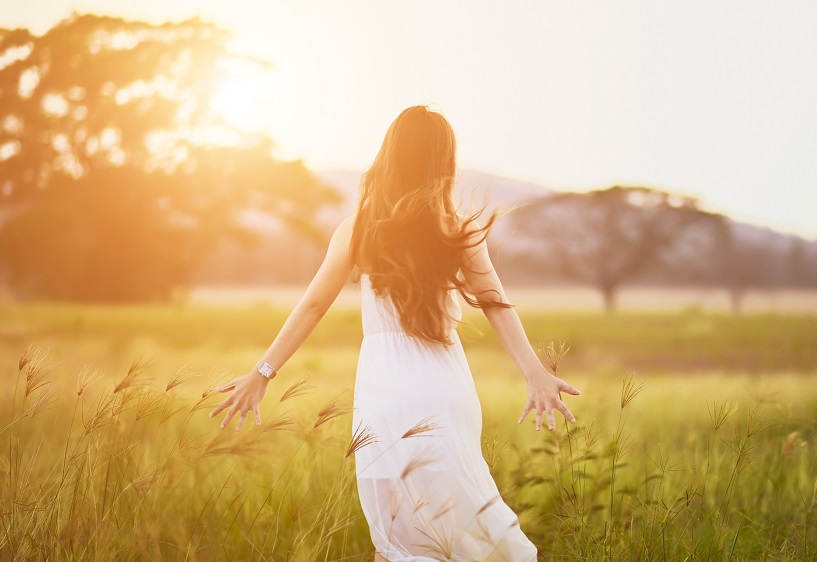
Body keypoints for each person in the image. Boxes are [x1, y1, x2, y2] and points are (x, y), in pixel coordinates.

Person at [209, 105, 581, 561]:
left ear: (389, 157)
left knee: (395, 538)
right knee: (466, 521)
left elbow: (312, 305)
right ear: (445, 163)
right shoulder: (458, 228)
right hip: (445, 390)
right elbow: (495, 304)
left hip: (385, 392)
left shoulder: (359, 229)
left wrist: (262, 373)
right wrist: (535, 373)